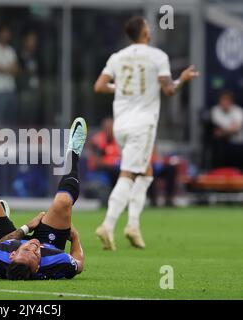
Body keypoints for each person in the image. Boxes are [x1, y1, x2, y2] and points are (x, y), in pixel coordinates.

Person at [93, 16, 199, 250]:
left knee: (146, 172)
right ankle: (108, 225)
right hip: (142, 124)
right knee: (129, 173)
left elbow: (99, 86)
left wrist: (118, 87)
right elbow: (169, 90)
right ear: (145, 33)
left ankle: (133, 225)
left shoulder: (117, 57)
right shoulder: (157, 56)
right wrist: (182, 79)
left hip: (120, 124)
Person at [0, 117, 86, 280]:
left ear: (12, 255)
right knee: (63, 202)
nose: (34, 247)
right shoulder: (54, 261)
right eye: (35, 255)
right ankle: (73, 153)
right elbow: (79, 264)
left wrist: (27, 227)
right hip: (49, 242)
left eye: (27, 250)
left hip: (11, 240)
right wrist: (75, 237)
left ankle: (4, 222)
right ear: (38, 267)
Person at [0, 25, 19, 127]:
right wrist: (8, 69)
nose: (5, 35)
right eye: (3, 32)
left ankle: (10, 138)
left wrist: (5, 68)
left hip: (10, 88)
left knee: (11, 116)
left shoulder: (11, 50)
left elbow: (16, 69)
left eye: (7, 33)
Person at [210, 91, 243, 169]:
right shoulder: (216, 110)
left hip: (238, 144)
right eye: (222, 100)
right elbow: (217, 130)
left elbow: (236, 129)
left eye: (227, 100)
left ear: (231, 102)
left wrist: (223, 132)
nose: (224, 103)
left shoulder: (238, 111)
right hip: (222, 145)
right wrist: (230, 129)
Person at [17, 30, 41, 125]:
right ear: (25, 42)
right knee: (24, 115)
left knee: (34, 115)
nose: (33, 43)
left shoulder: (37, 57)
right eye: (31, 41)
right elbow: (18, 72)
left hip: (35, 89)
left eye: (34, 41)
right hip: (24, 90)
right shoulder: (20, 56)